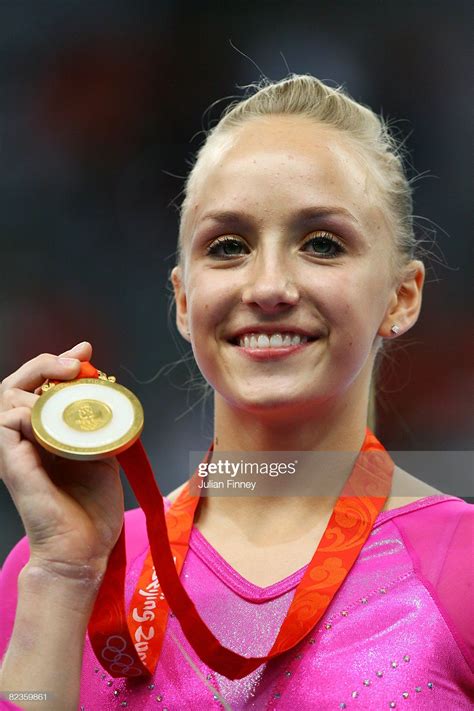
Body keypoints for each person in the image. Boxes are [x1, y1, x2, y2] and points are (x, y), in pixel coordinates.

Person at [0, 74, 472, 710]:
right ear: (184, 300)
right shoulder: (52, 570)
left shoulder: (461, 568)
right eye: (229, 247)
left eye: (322, 243)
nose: (269, 286)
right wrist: (63, 576)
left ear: (401, 295)